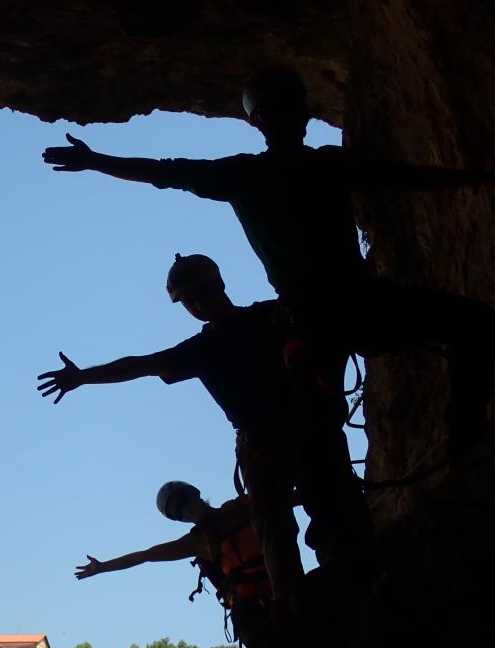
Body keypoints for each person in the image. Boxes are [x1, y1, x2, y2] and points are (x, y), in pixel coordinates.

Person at [42, 66, 495, 473]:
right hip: (357, 304)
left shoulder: (244, 176)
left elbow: (163, 172)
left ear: (255, 121)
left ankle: (452, 467)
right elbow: (405, 178)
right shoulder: (324, 166)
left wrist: (96, 161)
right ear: (301, 112)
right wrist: (471, 178)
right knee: (472, 326)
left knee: (318, 435)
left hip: (309, 322)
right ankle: (465, 450)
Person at [38, 253, 309, 597]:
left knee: (316, 501)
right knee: (275, 520)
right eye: (188, 300)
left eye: (202, 293)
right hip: (269, 440)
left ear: (220, 285)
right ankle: (293, 602)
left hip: (298, 425)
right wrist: (84, 377)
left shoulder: (268, 317)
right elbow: (141, 365)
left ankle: (323, 583)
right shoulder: (205, 348)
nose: (197, 304)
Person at [75, 480, 278, 648]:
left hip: (280, 586)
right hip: (248, 611)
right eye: (177, 513)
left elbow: (285, 501)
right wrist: (102, 567)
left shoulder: (240, 508)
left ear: (194, 493)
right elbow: (145, 556)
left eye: (182, 502)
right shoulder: (196, 542)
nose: (184, 510)